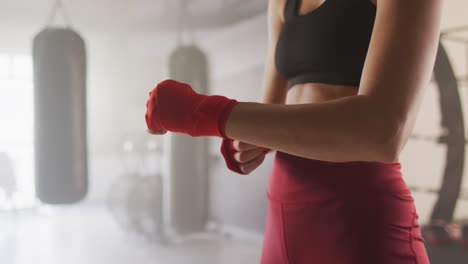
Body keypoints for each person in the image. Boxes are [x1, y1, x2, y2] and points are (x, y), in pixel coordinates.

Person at [145, 0, 442, 263]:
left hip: (358, 220)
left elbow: (384, 131)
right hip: (283, 219)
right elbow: (271, 110)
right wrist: (244, 144)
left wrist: (205, 114)